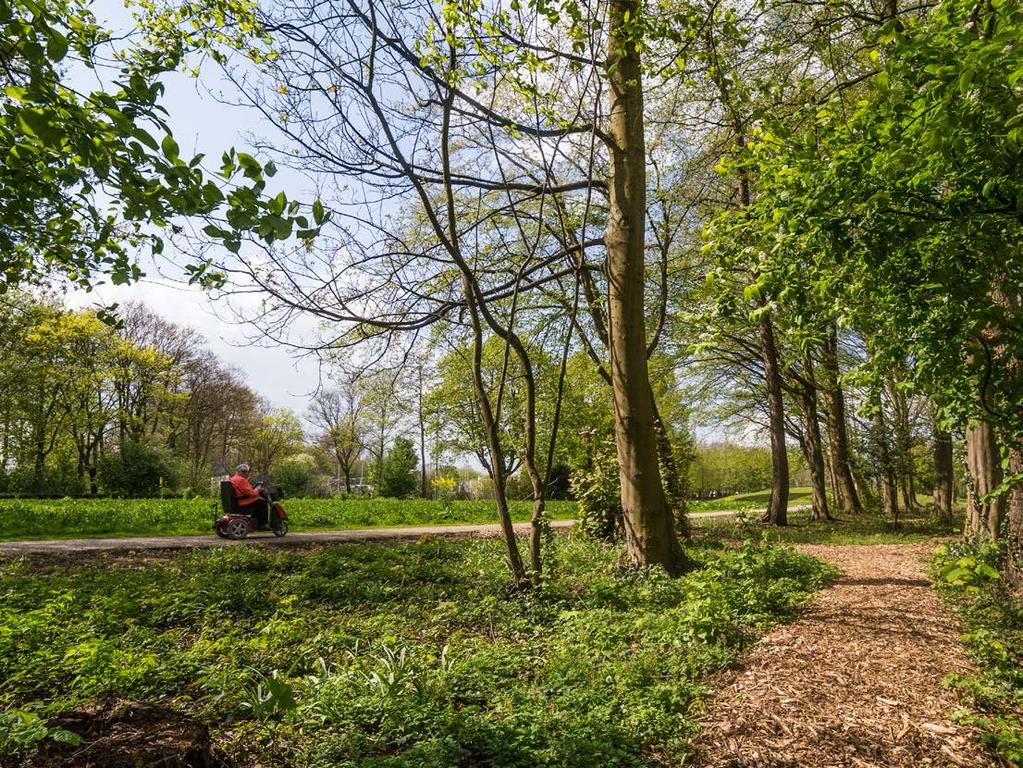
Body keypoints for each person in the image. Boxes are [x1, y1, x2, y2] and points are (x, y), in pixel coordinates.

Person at [229, 463, 271, 530]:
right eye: (245, 472)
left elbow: (246, 490)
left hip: (237, 501)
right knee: (262, 503)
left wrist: (254, 490)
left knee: (258, 502)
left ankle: (255, 522)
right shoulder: (241, 480)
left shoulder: (232, 479)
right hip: (243, 502)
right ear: (242, 472)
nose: (246, 474)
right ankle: (263, 524)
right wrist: (258, 490)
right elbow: (251, 493)